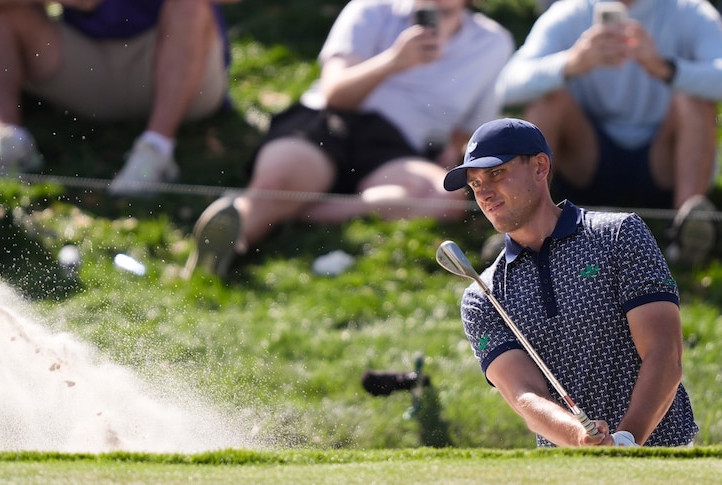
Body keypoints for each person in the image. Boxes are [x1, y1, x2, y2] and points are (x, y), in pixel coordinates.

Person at [183, 0, 514, 278]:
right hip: (330, 122)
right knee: (281, 179)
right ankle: (225, 249)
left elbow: (470, 126)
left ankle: (295, 209)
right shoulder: (371, 8)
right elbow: (336, 93)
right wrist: (394, 61)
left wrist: (451, 155)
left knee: (442, 198)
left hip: (396, 146)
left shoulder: (492, 43)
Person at [442, 117, 698, 447]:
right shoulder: (482, 295)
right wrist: (580, 439)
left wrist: (626, 441)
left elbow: (665, 353)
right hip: (570, 469)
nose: (484, 192)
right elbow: (524, 395)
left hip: (664, 457)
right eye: (475, 184)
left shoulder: (618, 235)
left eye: (496, 173)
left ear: (540, 167)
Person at [496, 0, 722, 266]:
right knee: (547, 99)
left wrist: (666, 68)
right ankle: (524, 228)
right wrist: (571, 63)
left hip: (664, 161)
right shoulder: (570, 12)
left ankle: (686, 229)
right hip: (587, 158)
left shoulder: (690, 10)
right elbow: (507, 86)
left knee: (694, 99)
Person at [0, 0, 236, 196]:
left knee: (189, 5)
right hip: (91, 62)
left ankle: (156, 151)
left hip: (177, 66)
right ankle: (3, 136)